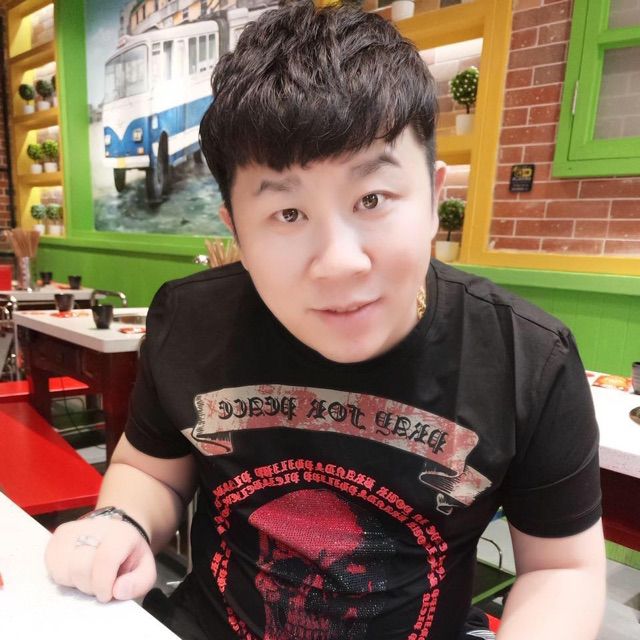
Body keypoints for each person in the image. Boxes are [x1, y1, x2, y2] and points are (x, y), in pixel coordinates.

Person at [45, 2, 606, 639]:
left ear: (433, 199)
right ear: (235, 230)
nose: (339, 263)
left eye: (372, 198)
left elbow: (562, 568)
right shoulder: (192, 319)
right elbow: (149, 469)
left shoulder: (526, 358)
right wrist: (119, 522)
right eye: (288, 214)